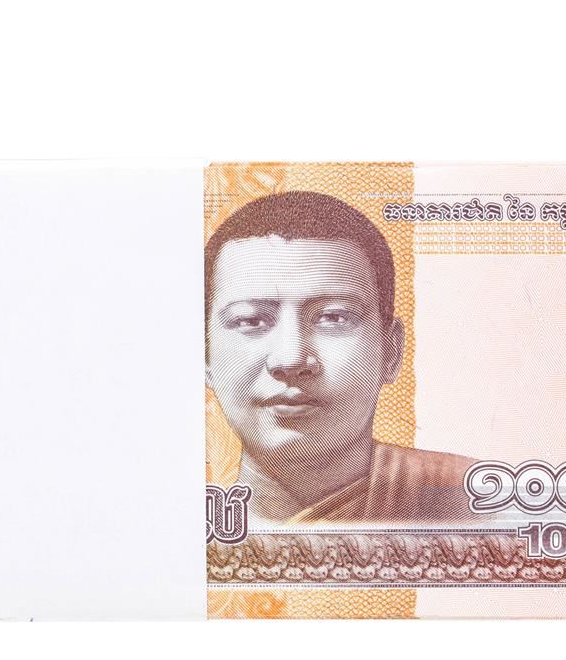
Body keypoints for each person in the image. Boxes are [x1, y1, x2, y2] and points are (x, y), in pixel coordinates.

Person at [205, 190, 478, 525]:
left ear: (391, 352)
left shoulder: (479, 502)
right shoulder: (167, 524)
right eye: (251, 321)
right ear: (204, 354)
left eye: (333, 317)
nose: (291, 358)